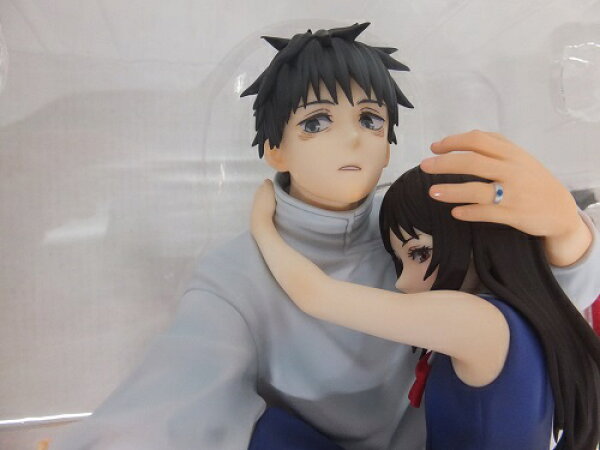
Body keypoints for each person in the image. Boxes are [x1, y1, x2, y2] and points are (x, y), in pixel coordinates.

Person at [49, 23, 600, 449]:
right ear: (275, 149)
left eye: (371, 120)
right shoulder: (235, 274)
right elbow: (181, 382)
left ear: (390, 142)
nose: (353, 140)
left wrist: (566, 231)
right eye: (316, 121)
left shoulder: (414, 224)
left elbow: (534, 306)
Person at [249, 166, 600, 449]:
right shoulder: (525, 317)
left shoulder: (479, 322)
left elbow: (317, 295)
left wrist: (262, 228)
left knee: (263, 431)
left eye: (419, 253)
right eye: (401, 261)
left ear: (476, 236)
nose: (403, 282)